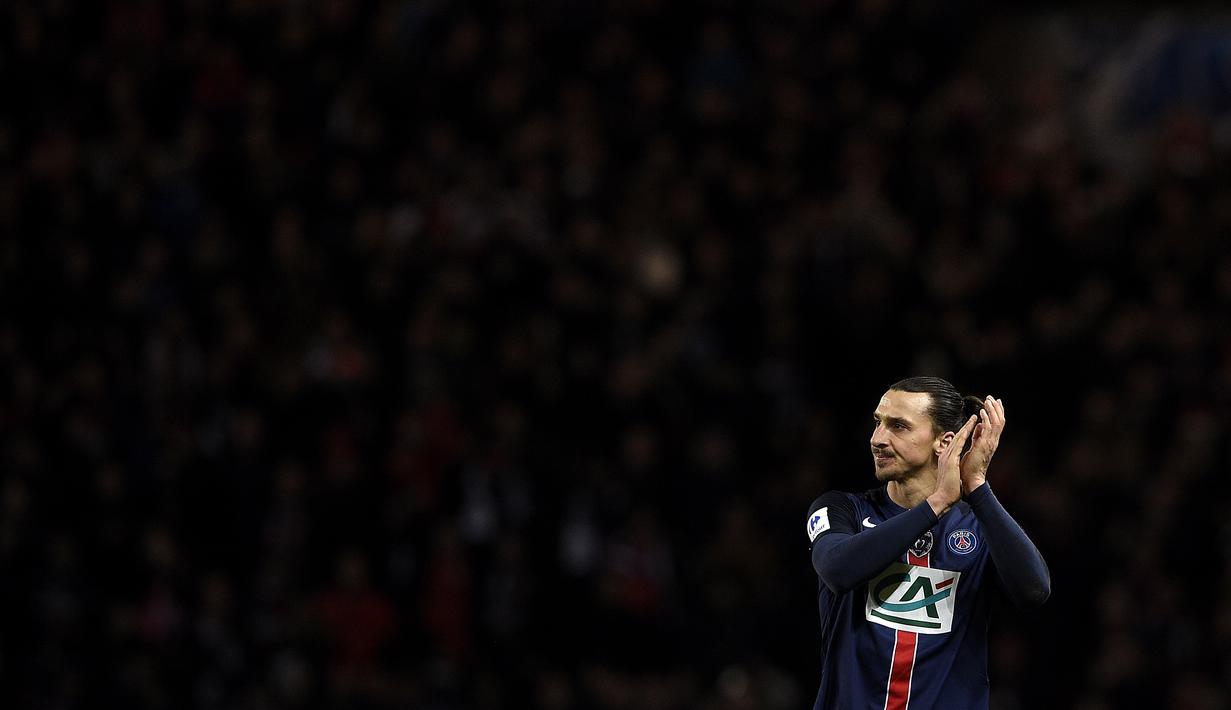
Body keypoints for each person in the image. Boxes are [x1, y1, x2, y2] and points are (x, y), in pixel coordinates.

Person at [806, 377, 1049, 710]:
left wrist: (976, 484)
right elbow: (837, 569)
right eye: (878, 423)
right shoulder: (840, 509)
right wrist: (936, 504)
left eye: (899, 427)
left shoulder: (979, 528)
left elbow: (1034, 591)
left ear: (943, 442)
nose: (878, 439)